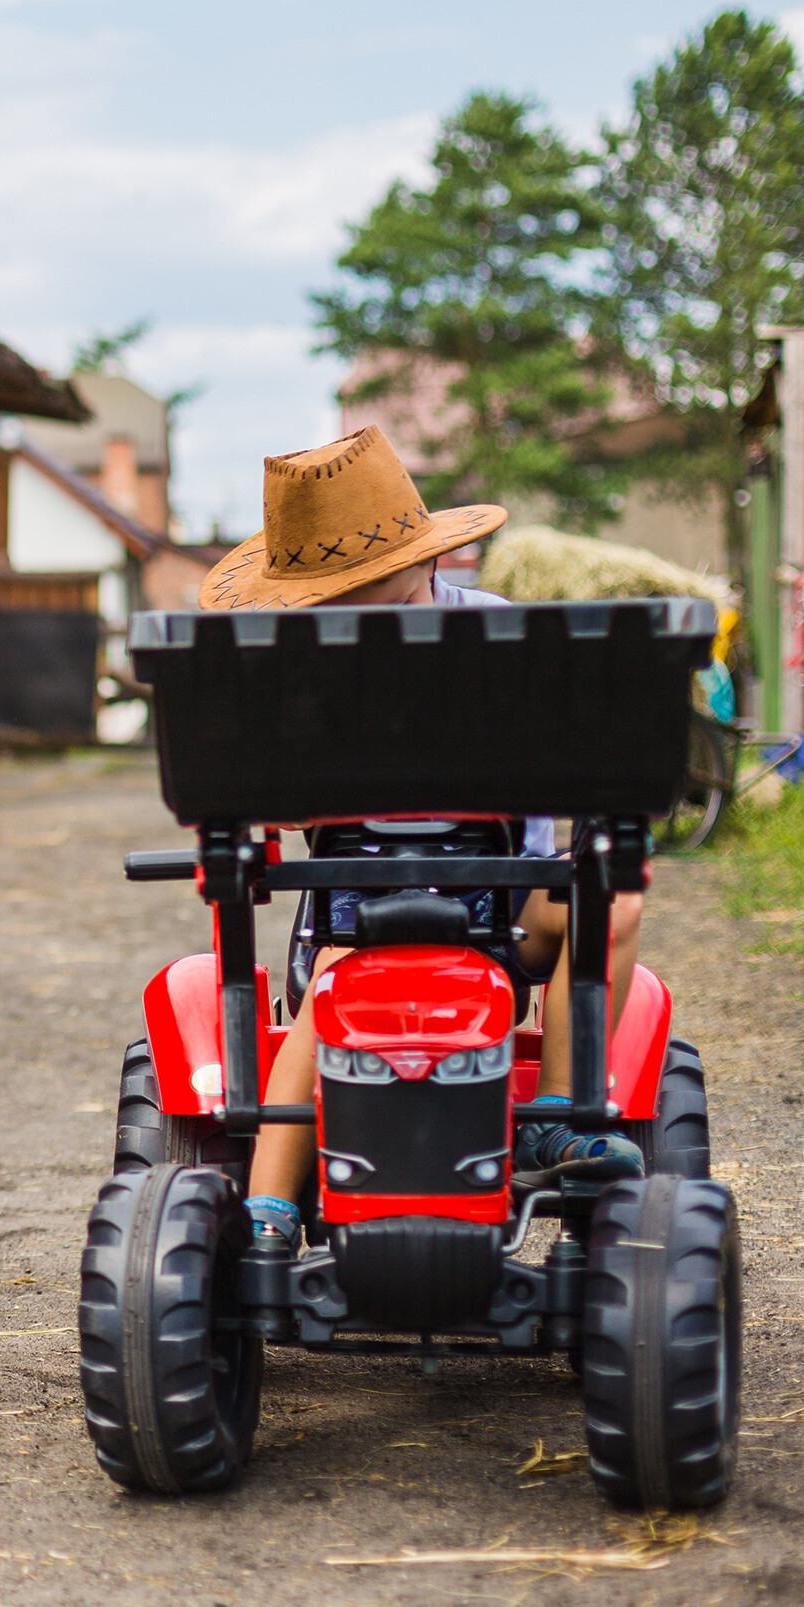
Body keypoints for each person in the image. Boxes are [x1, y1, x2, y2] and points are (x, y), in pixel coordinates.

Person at [196, 428, 647, 1255]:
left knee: (612, 912)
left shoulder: (501, 640)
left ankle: (555, 1115)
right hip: (356, 914)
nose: (346, 608)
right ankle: (268, 1205)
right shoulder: (294, 666)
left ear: (423, 561)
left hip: (506, 896)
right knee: (333, 984)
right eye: (327, 597)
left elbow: (572, 760)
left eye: (365, 585)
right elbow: (253, 792)